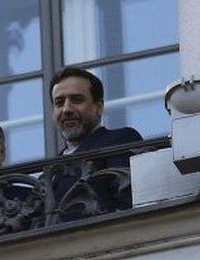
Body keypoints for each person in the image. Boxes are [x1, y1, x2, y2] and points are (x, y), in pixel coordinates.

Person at [50, 67, 142, 219]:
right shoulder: (50, 174)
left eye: (76, 100)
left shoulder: (120, 140)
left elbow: (132, 206)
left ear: (98, 108)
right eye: (59, 103)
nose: (66, 109)